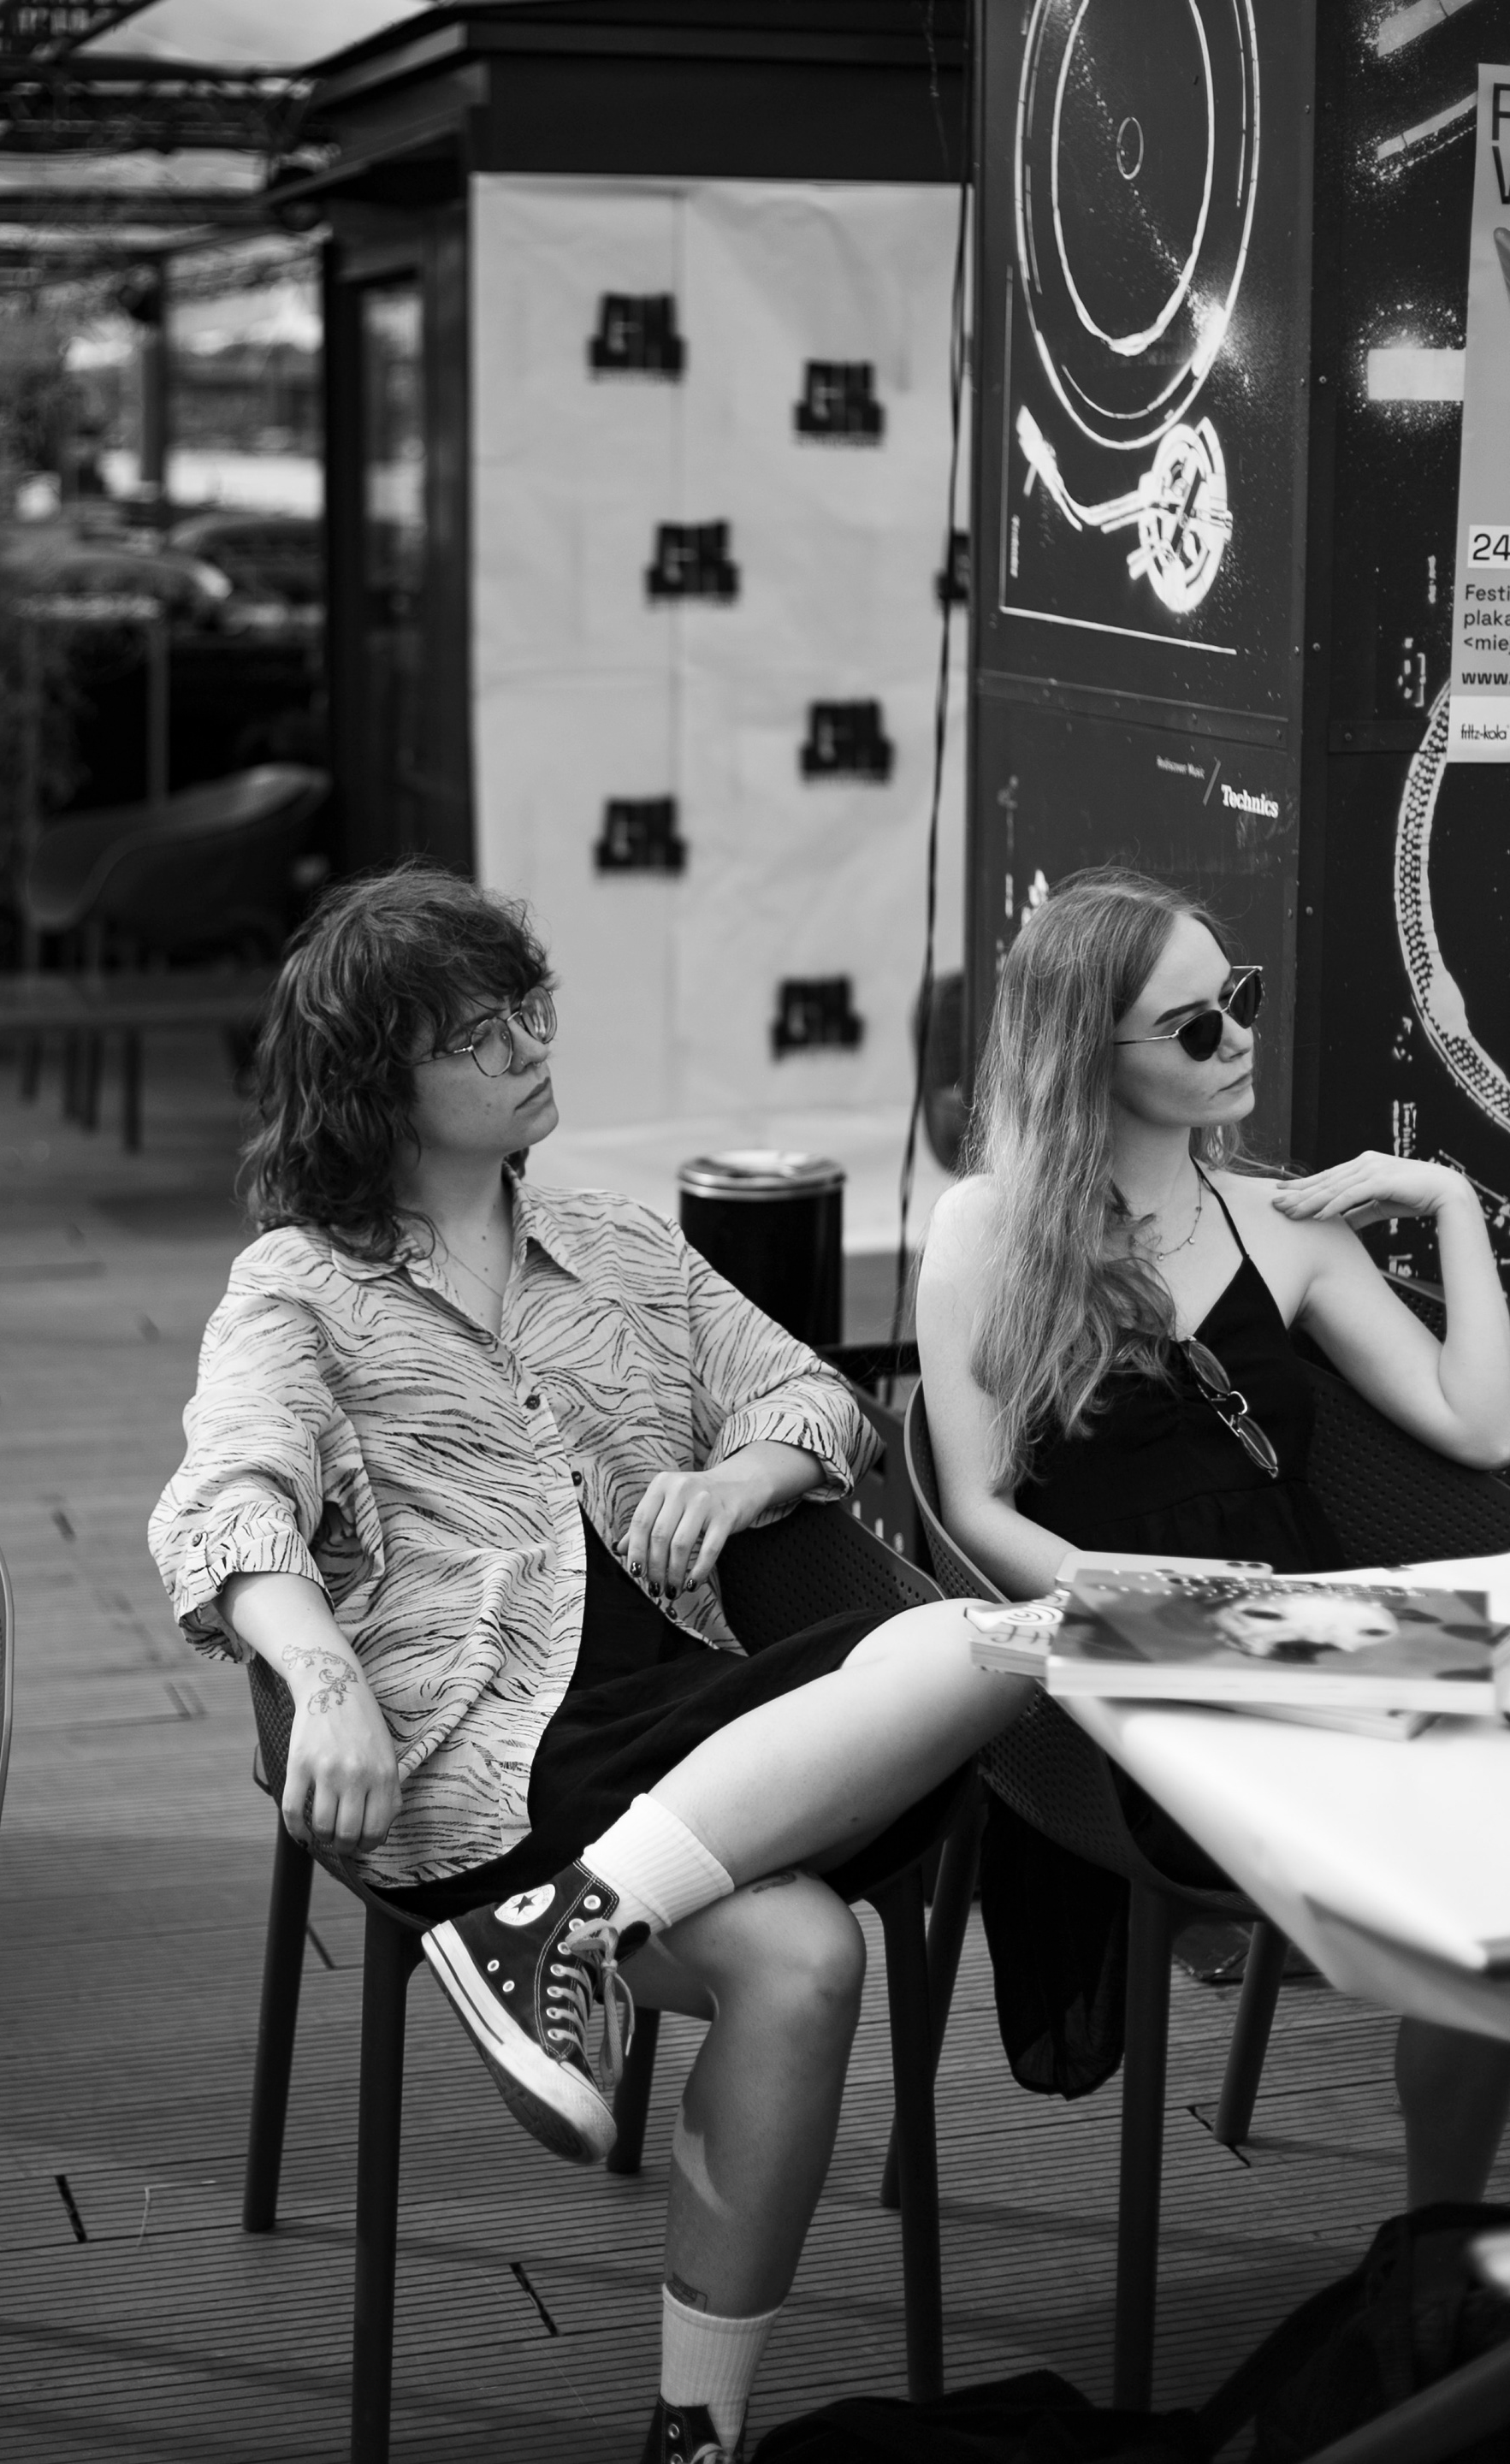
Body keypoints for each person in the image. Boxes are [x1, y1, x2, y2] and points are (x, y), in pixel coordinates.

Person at [150, 862, 1031, 2464]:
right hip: (484, 1737)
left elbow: (813, 1396)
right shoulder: (297, 1288)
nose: (532, 1048)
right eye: (481, 1034)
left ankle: (570, 1928)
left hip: (692, 1692)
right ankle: (700, 2433)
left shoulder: (621, 1246)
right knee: (808, 1955)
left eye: (531, 1010)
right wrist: (323, 1680)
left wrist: (738, 1480)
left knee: (980, 1643)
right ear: (379, 1084)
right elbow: (228, 1501)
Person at [916, 864, 1510, 2204]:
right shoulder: (987, 1229)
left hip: (1317, 1641)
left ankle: (1438, 2238)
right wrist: (1162, 1608)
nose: (1237, 1037)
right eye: (1194, 1026)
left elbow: (1479, 1427)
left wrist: (1447, 1201)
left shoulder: (1279, 1223)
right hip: (1133, 1665)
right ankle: (1442, 2248)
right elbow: (975, 1508)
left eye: (1236, 997)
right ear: (1090, 1056)